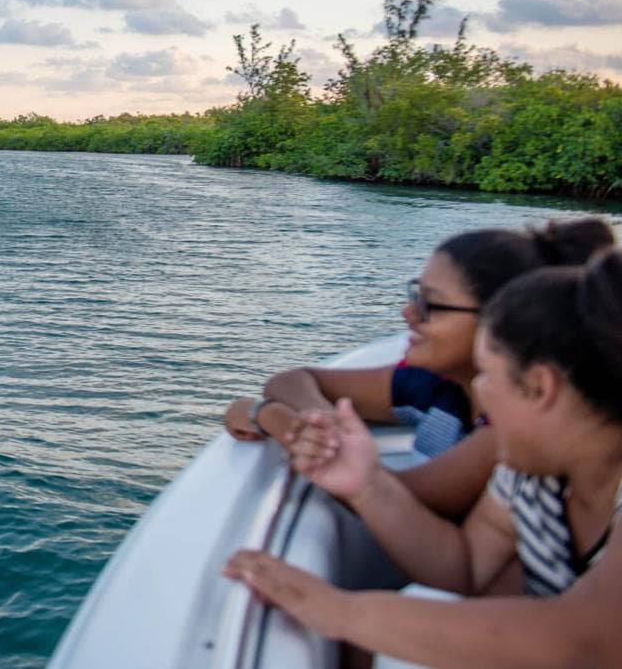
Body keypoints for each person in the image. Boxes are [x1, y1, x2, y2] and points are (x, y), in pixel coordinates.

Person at [224, 249, 622, 668]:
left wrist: (338, 610)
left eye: (486, 375)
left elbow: (590, 638)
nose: (480, 395)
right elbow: (467, 567)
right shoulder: (529, 475)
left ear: (541, 388)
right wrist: (365, 485)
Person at [223, 220, 615, 519]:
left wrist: (271, 418)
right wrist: (324, 423)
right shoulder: (434, 384)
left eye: (430, 304)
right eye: (414, 296)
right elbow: (292, 380)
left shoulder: (511, 429)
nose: (408, 314)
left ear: (501, 321)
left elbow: (392, 494)